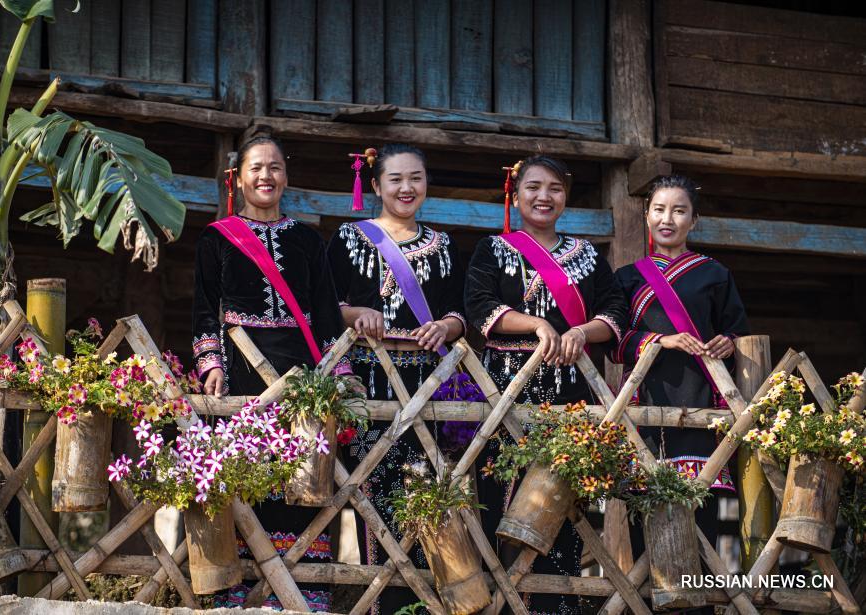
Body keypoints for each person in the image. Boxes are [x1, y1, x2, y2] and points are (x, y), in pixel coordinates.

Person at [192, 129, 349, 611]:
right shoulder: (216, 239)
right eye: (256, 167)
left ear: (286, 178)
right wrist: (210, 363)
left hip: (299, 374)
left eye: (275, 167)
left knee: (301, 476)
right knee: (242, 475)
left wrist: (336, 373)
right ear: (237, 179)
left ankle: (302, 588)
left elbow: (325, 314)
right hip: (238, 369)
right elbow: (204, 309)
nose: (266, 175)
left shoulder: (307, 240)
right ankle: (235, 590)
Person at [464, 155, 626, 615]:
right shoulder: (492, 250)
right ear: (515, 196)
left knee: (563, 500)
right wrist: (536, 324)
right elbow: (479, 307)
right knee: (500, 495)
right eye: (533, 187)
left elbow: (615, 310)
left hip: (572, 387)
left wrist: (581, 332)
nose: (543, 197)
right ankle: (504, 601)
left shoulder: (588, 254)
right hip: (507, 387)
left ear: (565, 198)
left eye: (554, 188)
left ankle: (556, 604)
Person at [327, 143, 467, 614]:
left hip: (427, 379)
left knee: (425, 484)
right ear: (375, 186)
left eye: (416, 179)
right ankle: (377, 598)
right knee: (368, 485)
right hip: (368, 380)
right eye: (395, 180)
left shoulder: (444, 245)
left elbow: (461, 312)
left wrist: (447, 327)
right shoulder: (348, 239)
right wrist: (355, 314)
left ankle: (423, 600)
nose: (406, 188)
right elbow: (325, 309)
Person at [612, 175, 748, 610]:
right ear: (646, 215)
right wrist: (659, 341)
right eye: (658, 210)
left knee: (703, 512)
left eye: (679, 210)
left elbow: (738, 331)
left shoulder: (714, 273)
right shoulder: (627, 277)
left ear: (694, 219)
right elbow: (615, 342)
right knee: (644, 510)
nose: (667, 219)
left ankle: (703, 603)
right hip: (644, 405)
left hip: (699, 406)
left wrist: (728, 341)